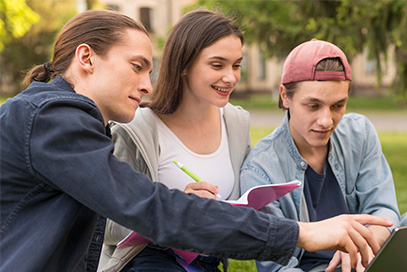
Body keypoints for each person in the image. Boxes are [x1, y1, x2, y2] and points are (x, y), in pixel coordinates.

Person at [0, 10, 392, 272]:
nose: (146, 85)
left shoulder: (64, 121)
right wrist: (303, 233)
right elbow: (150, 208)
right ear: (86, 58)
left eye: (149, 70)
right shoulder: (51, 120)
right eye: (137, 67)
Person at [99, 9, 250, 272]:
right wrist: (174, 207)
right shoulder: (137, 129)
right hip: (147, 262)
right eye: (217, 65)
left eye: (236, 65)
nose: (231, 77)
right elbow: (106, 226)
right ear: (184, 65)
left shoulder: (237, 122)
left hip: (206, 263)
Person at [240, 39, 401, 272]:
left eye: (338, 105)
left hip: (368, 259)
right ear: (285, 96)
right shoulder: (260, 170)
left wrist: (355, 247)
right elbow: (276, 267)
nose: (327, 121)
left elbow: (385, 212)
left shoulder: (360, 133)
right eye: (313, 106)